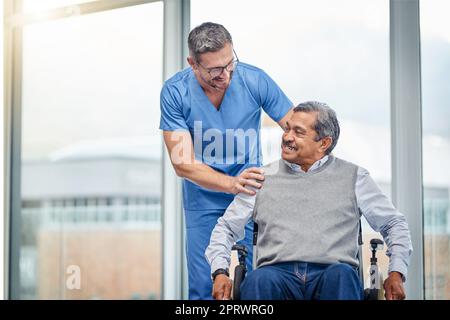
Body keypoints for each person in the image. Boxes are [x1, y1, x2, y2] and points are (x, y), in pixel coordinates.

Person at [206, 101, 413, 300]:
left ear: (324, 143)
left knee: (341, 276)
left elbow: (394, 223)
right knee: (258, 280)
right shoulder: (261, 178)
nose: (287, 137)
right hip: (276, 275)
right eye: (287, 129)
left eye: (298, 132)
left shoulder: (355, 177)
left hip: (333, 274)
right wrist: (220, 271)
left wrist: (396, 271)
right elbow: (225, 228)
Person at [159, 22, 294, 299]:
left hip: (251, 197)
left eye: (229, 63)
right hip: (203, 201)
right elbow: (182, 162)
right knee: (205, 287)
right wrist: (232, 184)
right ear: (193, 64)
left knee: (257, 282)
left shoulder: (254, 80)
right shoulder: (175, 92)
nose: (226, 74)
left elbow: (297, 129)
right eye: (214, 70)